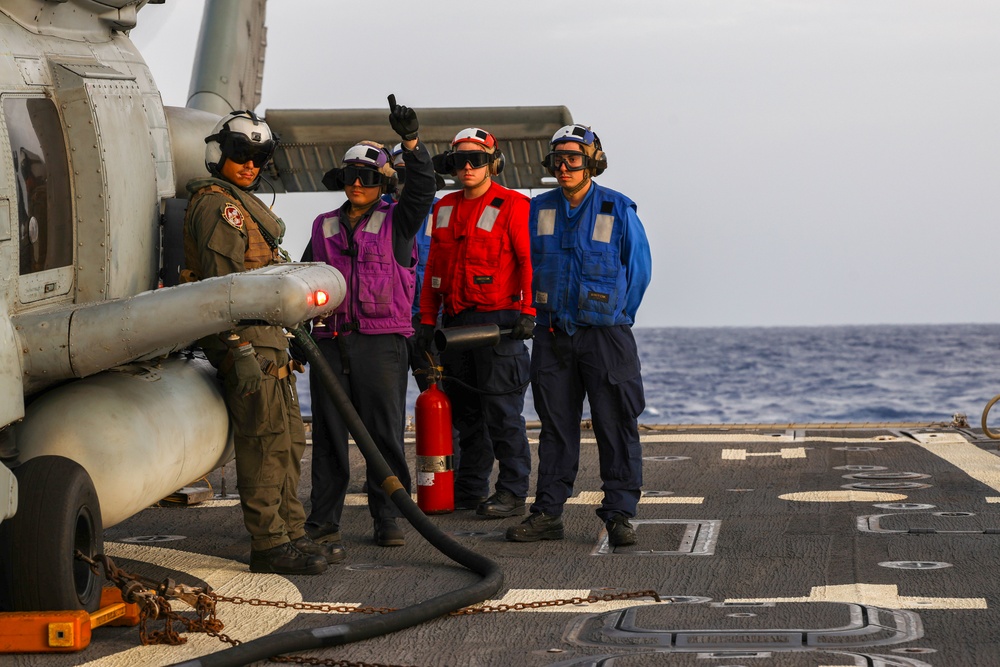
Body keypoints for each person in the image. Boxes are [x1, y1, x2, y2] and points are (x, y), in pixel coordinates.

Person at [183, 110, 335, 575]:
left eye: (258, 158)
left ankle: (291, 533)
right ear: (220, 155)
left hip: (270, 344)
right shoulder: (218, 207)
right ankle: (269, 544)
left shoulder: (243, 206)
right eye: (241, 155)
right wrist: (237, 349)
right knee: (264, 444)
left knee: (288, 442)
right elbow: (218, 289)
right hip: (248, 345)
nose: (250, 166)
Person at [506, 124, 652, 547]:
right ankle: (548, 512)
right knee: (555, 427)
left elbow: (639, 271)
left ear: (592, 163)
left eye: (573, 159)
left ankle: (620, 513)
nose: (564, 166)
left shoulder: (617, 208)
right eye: (558, 160)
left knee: (616, 424)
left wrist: (618, 317)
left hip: (605, 337)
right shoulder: (540, 209)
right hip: (553, 335)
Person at [303, 96, 435, 548]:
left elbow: (422, 189)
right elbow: (300, 284)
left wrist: (412, 142)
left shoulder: (400, 221)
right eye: (350, 177)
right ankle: (323, 521)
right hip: (329, 344)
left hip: (381, 346)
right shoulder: (322, 227)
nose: (356, 184)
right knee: (329, 436)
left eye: (366, 177)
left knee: (384, 436)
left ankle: (390, 519)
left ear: (381, 182)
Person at [416, 128, 535, 518]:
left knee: (501, 413)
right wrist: (427, 319)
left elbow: (527, 262)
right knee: (465, 411)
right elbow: (433, 267)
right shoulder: (443, 207)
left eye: (477, 160)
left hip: (498, 323)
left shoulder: (514, 204)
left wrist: (528, 312)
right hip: (455, 323)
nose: (467, 167)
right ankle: (470, 489)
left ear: (492, 162)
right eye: (459, 160)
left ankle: (513, 492)